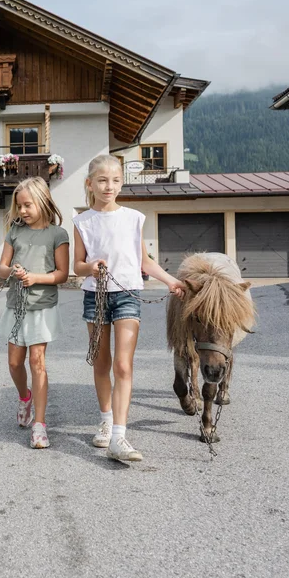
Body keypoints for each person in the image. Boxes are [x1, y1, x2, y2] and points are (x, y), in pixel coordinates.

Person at [72, 155, 185, 462]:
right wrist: (90, 267)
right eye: (102, 180)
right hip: (95, 297)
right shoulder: (82, 222)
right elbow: (77, 266)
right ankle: (106, 420)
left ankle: (119, 436)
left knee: (123, 365)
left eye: (115, 180)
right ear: (90, 184)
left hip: (128, 295)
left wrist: (171, 281)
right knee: (101, 363)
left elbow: (144, 261)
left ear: (121, 183)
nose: (109, 186)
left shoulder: (134, 218)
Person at [0, 177, 70, 449]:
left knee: (37, 361)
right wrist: (12, 270)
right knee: (15, 363)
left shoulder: (58, 234)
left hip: (42, 305)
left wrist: (36, 277)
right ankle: (24, 397)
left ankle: (39, 425)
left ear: (42, 201)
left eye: (28, 205)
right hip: (16, 305)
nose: (23, 210)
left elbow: (62, 274)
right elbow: (1, 268)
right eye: (19, 206)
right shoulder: (14, 231)